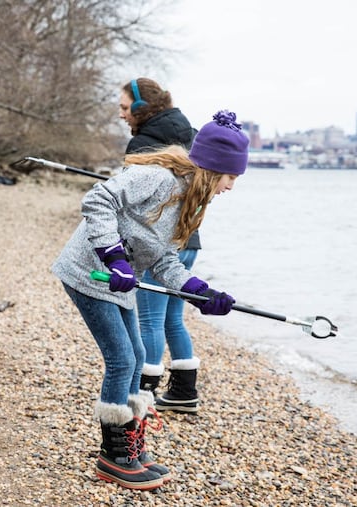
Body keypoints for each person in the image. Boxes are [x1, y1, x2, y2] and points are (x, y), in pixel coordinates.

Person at [52, 110, 249, 490]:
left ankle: (130, 440)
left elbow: (163, 261)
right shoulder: (159, 179)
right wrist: (114, 256)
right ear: (213, 169)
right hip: (88, 272)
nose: (231, 187)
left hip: (120, 282)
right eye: (230, 178)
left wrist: (200, 293)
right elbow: (98, 199)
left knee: (140, 355)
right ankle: (114, 456)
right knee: (122, 358)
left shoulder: (190, 201)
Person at [118, 78, 205, 413]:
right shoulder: (193, 135)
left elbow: (132, 204)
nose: (122, 115)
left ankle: (145, 394)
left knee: (150, 320)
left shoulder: (143, 143)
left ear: (142, 108)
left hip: (158, 246)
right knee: (172, 318)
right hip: (188, 242)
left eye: (125, 108)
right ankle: (185, 392)